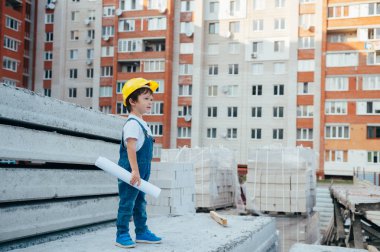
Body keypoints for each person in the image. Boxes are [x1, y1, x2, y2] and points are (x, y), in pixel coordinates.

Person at [115, 78, 162, 248]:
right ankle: (121, 233)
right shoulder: (133, 124)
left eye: (151, 99)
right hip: (131, 171)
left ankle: (141, 231)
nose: (151, 102)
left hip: (140, 172)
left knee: (140, 201)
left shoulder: (143, 123)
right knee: (127, 202)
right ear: (132, 101)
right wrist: (134, 171)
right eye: (146, 98)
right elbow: (131, 148)